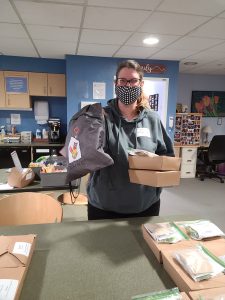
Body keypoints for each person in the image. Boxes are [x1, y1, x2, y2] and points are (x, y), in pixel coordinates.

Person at [87, 59, 174, 220]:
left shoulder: (153, 119)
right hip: (104, 205)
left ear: (141, 84)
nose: (128, 85)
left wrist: (154, 161)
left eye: (133, 80)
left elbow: (167, 158)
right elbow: (86, 155)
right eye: (123, 81)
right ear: (116, 83)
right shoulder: (100, 117)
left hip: (145, 204)